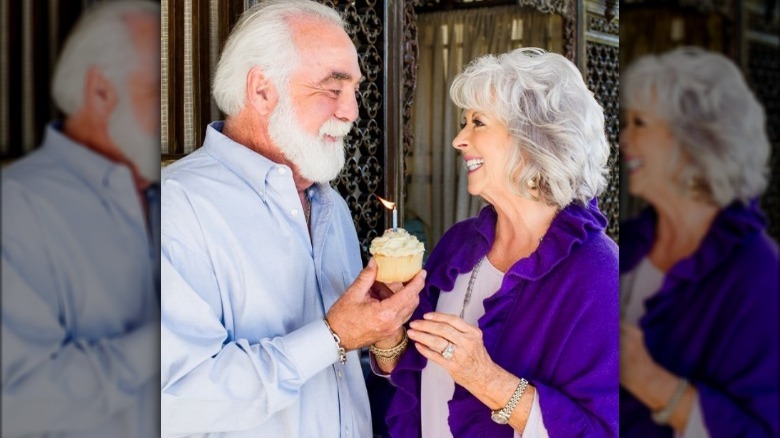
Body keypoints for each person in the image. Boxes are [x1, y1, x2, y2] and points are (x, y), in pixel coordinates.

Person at [159, 0, 425, 436]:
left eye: (354, 90)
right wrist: (332, 336)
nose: (351, 111)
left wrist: (381, 335)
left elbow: (342, 374)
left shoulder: (330, 206)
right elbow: (176, 401)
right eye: (331, 89)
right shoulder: (177, 207)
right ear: (262, 90)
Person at [376, 48, 619, 437]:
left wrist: (484, 377)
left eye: (478, 123)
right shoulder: (458, 246)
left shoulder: (599, 271)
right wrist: (388, 333)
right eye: (463, 122)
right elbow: (413, 378)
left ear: (533, 138)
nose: (459, 139)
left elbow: (602, 429)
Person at [1, 2, 161, 437]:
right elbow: (17, 405)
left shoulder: (170, 195)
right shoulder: (18, 206)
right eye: (155, 91)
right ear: (100, 91)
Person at [618, 47, 778, 437]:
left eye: (640, 123)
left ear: (693, 141)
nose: (624, 139)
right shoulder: (630, 242)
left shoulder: (757, 273)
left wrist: (650, 381)